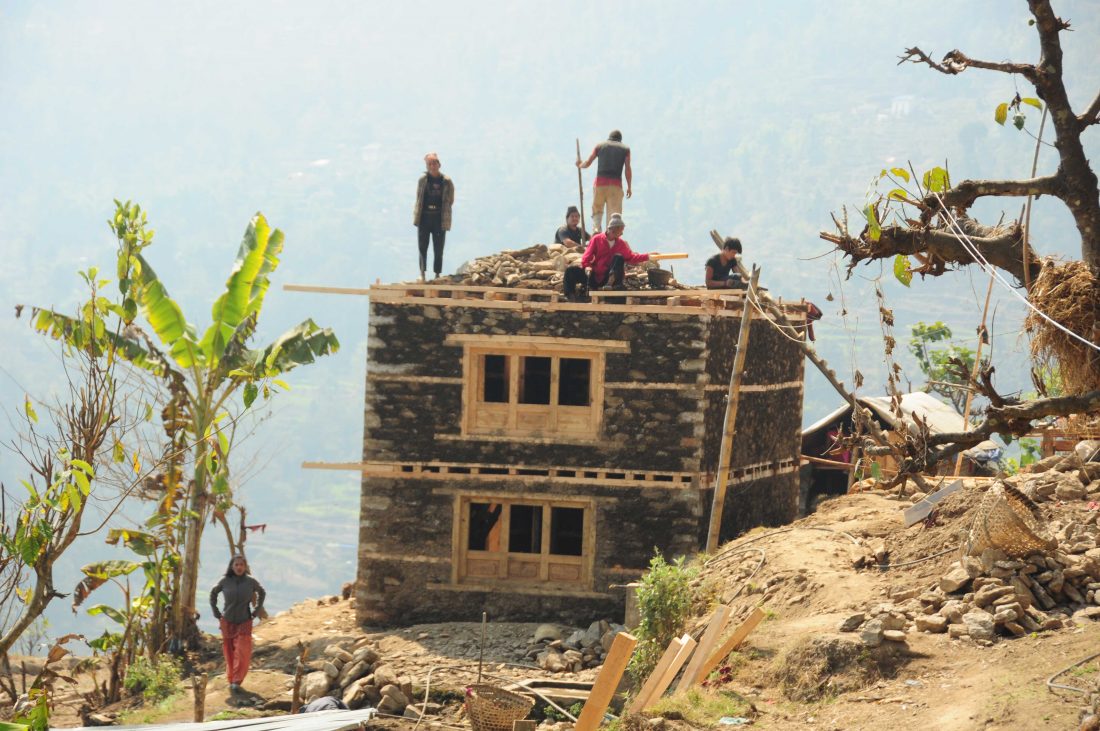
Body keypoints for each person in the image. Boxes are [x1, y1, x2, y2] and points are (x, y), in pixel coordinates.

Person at [562, 213, 653, 301]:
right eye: (620, 231)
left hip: (609, 278)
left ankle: (611, 284)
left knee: (618, 257)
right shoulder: (597, 239)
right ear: (613, 230)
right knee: (571, 271)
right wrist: (587, 266)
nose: (621, 234)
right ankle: (570, 296)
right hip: (594, 276)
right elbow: (587, 256)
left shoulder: (621, 243)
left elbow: (631, 257)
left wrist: (648, 256)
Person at [210, 554, 266, 694]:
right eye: (236, 565)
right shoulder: (225, 581)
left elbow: (262, 592)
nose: (239, 567)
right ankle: (231, 678)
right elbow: (213, 593)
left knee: (242, 651)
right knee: (229, 652)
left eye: (241, 564)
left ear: (245, 566)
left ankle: (237, 680)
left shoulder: (250, 581)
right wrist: (216, 611)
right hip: (227, 620)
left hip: (244, 620)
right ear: (232, 566)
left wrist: (256, 611)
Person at [577, 130, 631, 233]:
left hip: (600, 184)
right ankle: (610, 234)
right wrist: (629, 187)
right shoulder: (625, 149)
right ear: (620, 140)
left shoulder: (600, 146)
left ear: (609, 138)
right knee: (614, 213)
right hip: (616, 186)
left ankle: (597, 228)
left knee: (597, 207)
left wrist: (580, 165)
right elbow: (627, 168)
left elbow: (588, 163)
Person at [413, 153, 455, 281]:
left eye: (434, 163)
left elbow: (451, 199)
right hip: (424, 217)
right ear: (427, 166)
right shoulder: (422, 180)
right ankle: (422, 273)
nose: (432, 166)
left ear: (439, 164)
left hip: (439, 218)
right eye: (429, 164)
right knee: (422, 246)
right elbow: (418, 197)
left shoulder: (446, 181)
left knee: (438, 247)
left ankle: (437, 273)